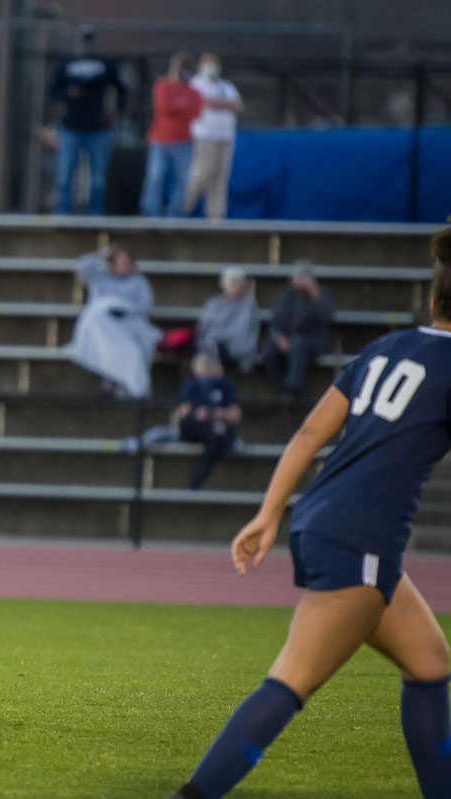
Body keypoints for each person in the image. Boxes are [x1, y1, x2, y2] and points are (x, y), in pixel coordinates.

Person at [169, 229, 451, 799]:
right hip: (364, 538)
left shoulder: (385, 348)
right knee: (291, 681)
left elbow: (308, 433)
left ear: (432, 298)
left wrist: (268, 514)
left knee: (429, 663)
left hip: (320, 517)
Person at [40, 24, 128, 215]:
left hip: (98, 129)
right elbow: (53, 91)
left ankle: (94, 217)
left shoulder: (104, 63)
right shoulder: (66, 62)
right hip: (71, 128)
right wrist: (69, 93)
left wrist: (114, 112)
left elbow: (122, 88)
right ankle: (63, 216)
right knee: (65, 176)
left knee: (97, 178)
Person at [66, 246, 162, 398]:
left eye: (127, 262)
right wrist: (101, 255)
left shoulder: (138, 281)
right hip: (103, 325)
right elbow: (81, 267)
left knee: (133, 350)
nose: (124, 265)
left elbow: (145, 305)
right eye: (120, 261)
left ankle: (126, 385)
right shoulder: (100, 277)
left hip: (127, 324)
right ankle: (112, 379)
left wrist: (124, 311)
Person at [140, 51, 203, 217]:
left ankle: (176, 216)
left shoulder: (194, 90)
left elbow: (196, 111)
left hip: (184, 142)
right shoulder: (162, 85)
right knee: (155, 177)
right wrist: (181, 105)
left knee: (184, 181)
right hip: (160, 140)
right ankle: (151, 215)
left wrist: (177, 105)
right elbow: (164, 107)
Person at [262, 265, 336, 402]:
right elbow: (275, 321)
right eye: (297, 278)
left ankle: (294, 388)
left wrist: (314, 291)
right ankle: (280, 390)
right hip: (286, 338)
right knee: (269, 352)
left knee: (299, 345)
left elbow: (327, 316)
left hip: (312, 341)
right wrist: (279, 338)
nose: (299, 281)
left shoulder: (321, 293)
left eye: (303, 278)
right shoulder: (286, 295)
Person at [183, 53, 243, 220]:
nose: (213, 68)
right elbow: (202, 101)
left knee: (220, 179)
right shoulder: (196, 83)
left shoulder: (226, 86)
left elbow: (238, 105)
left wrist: (215, 102)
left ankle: (216, 218)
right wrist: (225, 104)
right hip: (205, 136)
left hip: (225, 137)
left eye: (215, 64)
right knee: (202, 173)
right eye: (209, 64)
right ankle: (183, 208)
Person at [175, 353, 242, 490]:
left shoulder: (225, 385)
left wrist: (216, 413)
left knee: (217, 437)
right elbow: (182, 413)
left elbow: (236, 415)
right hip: (196, 429)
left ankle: (195, 485)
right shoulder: (191, 385)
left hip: (216, 432)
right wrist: (197, 414)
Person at [196, 267, 260, 373]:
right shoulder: (214, 303)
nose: (237, 286)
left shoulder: (249, 304)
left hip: (236, 346)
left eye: (240, 282)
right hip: (213, 344)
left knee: (218, 351)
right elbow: (204, 327)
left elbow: (247, 330)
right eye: (233, 282)